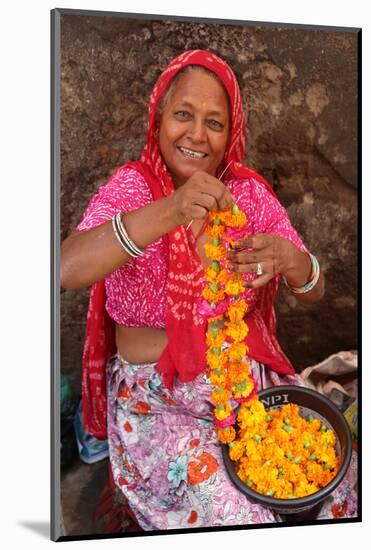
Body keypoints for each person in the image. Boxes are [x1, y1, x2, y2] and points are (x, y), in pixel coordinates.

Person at [61, 50, 357, 531]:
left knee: (338, 485)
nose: (197, 134)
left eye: (214, 122)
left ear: (230, 133)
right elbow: (68, 268)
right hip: (158, 400)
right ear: (158, 121)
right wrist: (173, 209)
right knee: (240, 518)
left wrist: (293, 260)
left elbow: (314, 291)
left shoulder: (247, 195)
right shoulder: (134, 189)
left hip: (244, 384)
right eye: (183, 115)